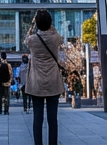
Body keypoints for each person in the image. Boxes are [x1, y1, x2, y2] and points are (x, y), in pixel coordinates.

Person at [23, 10, 65, 145]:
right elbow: (59, 36)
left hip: (36, 82)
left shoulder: (32, 40)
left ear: (37, 24)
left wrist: (32, 25)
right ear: (50, 23)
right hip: (53, 81)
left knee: (37, 119)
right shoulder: (55, 38)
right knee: (53, 119)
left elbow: (26, 38)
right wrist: (50, 26)